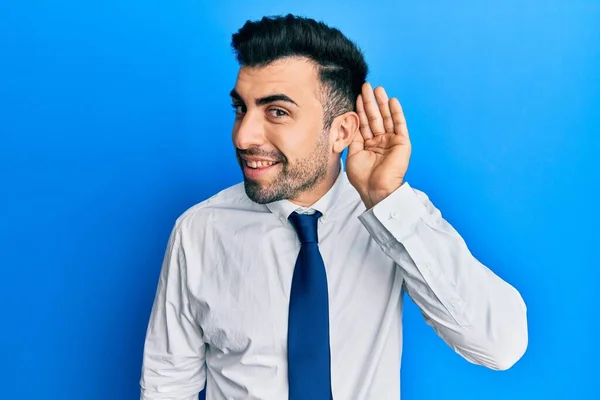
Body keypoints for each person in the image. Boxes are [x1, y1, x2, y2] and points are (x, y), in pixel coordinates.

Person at [139, 14, 528, 400]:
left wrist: (388, 204)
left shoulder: (395, 217)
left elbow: (500, 346)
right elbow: (166, 385)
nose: (243, 135)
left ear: (341, 131)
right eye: (242, 109)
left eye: (277, 112)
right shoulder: (199, 230)